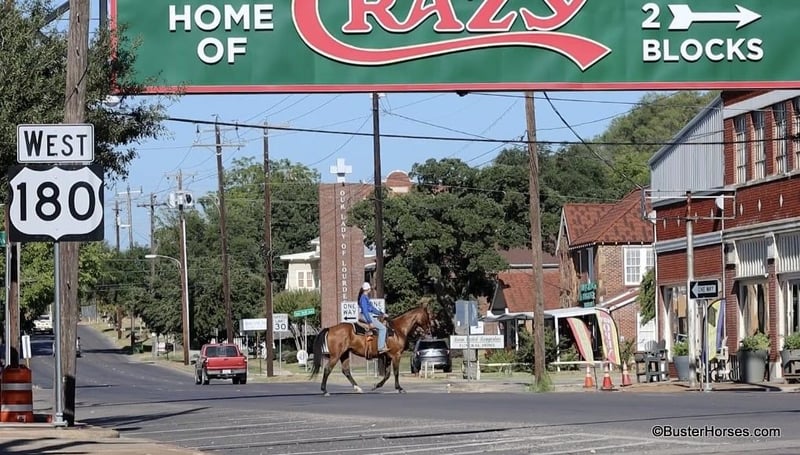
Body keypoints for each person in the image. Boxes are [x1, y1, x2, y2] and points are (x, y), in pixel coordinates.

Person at [358, 282, 388, 354]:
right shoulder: (363, 298)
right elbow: (365, 311)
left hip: (367, 315)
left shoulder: (365, 297)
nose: (370, 290)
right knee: (383, 328)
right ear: (367, 289)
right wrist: (370, 322)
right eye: (370, 289)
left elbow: (372, 309)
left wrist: (382, 314)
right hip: (366, 316)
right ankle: (381, 348)